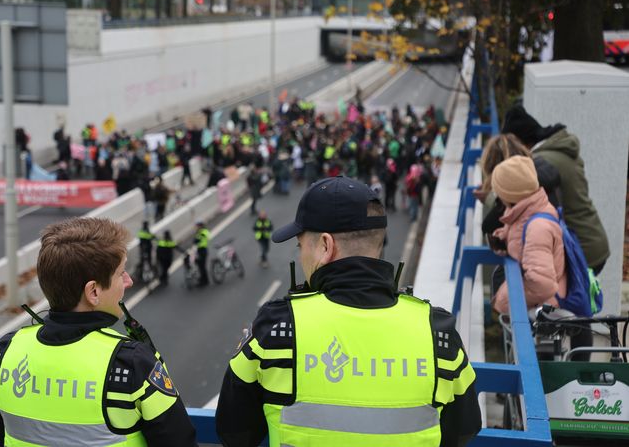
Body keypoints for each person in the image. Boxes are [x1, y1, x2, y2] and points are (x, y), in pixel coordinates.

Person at [216, 176, 481, 447]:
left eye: (300, 246)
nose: (300, 257)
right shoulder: (438, 335)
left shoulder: (277, 330)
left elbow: (234, 431)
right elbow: (463, 430)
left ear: (326, 246)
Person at [0, 217, 196, 446]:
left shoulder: (4, 353)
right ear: (93, 292)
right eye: (121, 273)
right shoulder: (130, 363)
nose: (128, 281)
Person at [500, 104, 609, 274]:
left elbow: (517, 197)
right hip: (592, 239)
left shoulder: (542, 162)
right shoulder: (558, 151)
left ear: (522, 143)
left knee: (568, 297)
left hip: (581, 249)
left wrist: (491, 196)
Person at [488, 156, 567, 315]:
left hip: (544, 311)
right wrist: (504, 238)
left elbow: (543, 285)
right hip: (537, 305)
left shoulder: (537, 228)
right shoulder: (527, 211)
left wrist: (504, 300)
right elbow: (524, 242)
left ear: (510, 193)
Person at [194, 221, 210, 286]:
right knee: (200, 266)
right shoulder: (198, 232)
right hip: (199, 250)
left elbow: (204, 237)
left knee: (202, 267)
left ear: (201, 226)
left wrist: (199, 236)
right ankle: (203, 279)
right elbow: (195, 241)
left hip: (203, 250)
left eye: (197, 226)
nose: (196, 227)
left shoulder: (204, 232)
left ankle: (204, 281)